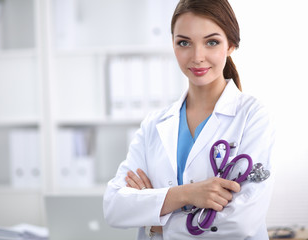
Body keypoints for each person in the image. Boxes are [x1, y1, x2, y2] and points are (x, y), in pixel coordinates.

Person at [103, 0, 275, 239]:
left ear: (231, 45)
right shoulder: (154, 124)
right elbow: (115, 207)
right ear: (173, 44)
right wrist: (187, 194)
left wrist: (158, 222)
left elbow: (242, 221)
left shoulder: (252, 116)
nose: (197, 57)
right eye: (184, 43)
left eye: (211, 42)